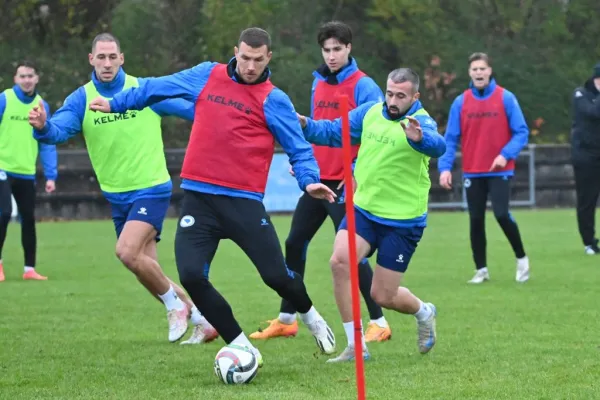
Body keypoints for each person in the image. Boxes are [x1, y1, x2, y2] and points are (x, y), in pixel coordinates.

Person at [88, 27, 338, 365]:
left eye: (258, 60)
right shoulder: (207, 74)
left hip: (243, 202)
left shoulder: (274, 99)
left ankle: (310, 316)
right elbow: (155, 88)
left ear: (269, 58)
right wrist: (117, 103)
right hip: (199, 199)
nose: (250, 66)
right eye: (244, 58)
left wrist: (309, 181)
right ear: (236, 51)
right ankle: (241, 346)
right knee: (191, 275)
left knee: (276, 276)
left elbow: (299, 149)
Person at [28, 33, 217, 345]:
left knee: (126, 253)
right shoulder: (81, 99)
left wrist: (225, 111)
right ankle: (203, 319)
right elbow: (58, 131)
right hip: (117, 195)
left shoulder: (143, 90)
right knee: (148, 271)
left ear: (121, 58)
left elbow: (193, 111)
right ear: (91, 59)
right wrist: (43, 126)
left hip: (152, 188)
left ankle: (175, 307)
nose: (106, 63)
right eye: (100, 57)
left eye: (112, 56)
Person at [250, 21, 392, 343]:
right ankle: (287, 319)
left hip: (345, 184)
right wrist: (305, 166)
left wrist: (355, 170)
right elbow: (316, 129)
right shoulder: (317, 82)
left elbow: (375, 133)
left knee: (352, 254)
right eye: (326, 50)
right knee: (294, 243)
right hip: (319, 182)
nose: (331, 56)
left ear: (349, 49)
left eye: (337, 50)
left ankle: (379, 322)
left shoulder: (364, 86)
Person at [298, 67, 445, 362]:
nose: (392, 100)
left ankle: (423, 311)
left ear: (415, 96)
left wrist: (419, 139)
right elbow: (331, 132)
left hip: (402, 223)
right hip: (364, 211)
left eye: (401, 96)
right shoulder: (369, 112)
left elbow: (437, 145)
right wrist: (305, 124)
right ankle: (356, 346)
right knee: (339, 262)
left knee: (382, 296)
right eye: (390, 93)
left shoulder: (421, 122)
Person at [437, 52, 530, 284]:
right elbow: (450, 139)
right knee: (475, 219)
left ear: (490, 71)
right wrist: (445, 168)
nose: (479, 72)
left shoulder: (506, 98)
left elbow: (521, 132)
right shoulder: (461, 102)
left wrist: (505, 154)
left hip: (500, 170)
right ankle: (481, 269)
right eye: (474, 69)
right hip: (473, 171)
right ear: (470, 73)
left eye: (482, 69)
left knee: (501, 214)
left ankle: (522, 259)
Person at [0, 61, 57, 282]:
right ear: (15, 79)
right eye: (22, 76)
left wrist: (51, 175)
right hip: (2, 168)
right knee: (3, 214)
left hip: (26, 171)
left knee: (29, 218)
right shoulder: (4, 99)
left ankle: (29, 269)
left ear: (36, 78)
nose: (26, 80)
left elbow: (47, 142)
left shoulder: (41, 105)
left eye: (30, 76)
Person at [570, 62, 600, 255]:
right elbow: (594, 113)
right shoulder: (581, 95)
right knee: (587, 200)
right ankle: (589, 241)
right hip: (586, 156)